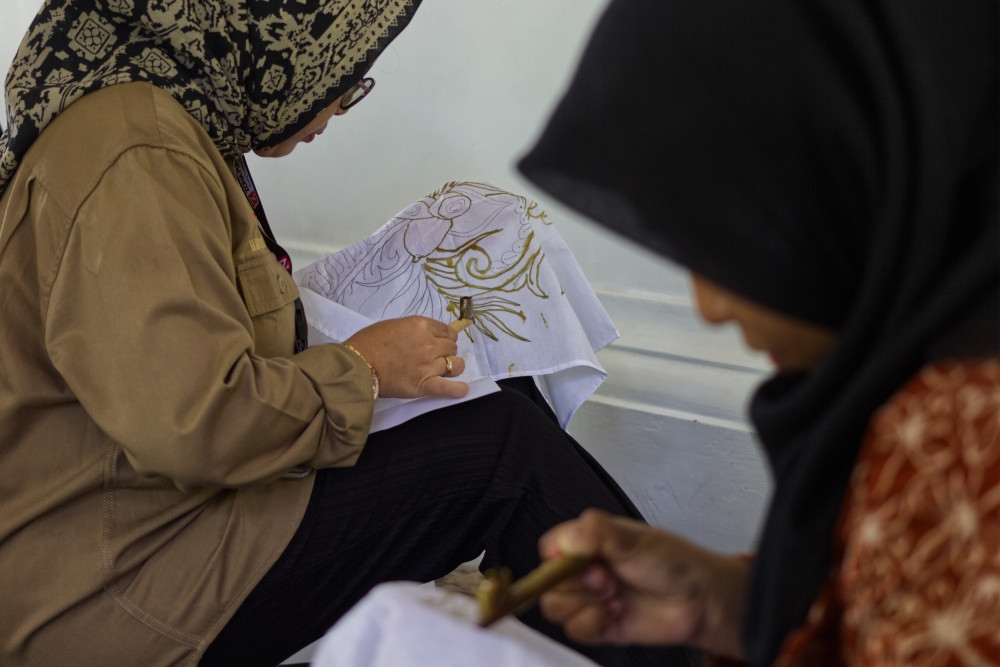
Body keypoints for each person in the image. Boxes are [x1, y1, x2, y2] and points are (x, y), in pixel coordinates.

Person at [0, 2, 703, 666]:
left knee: (493, 395)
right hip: (118, 583)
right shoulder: (135, 148)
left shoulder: (158, 124)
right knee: (505, 456)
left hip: (159, 521)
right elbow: (194, 422)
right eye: (343, 77)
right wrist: (362, 368)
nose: (337, 107)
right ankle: (688, 639)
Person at [517, 0, 999, 664]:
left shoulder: (960, 434)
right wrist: (728, 605)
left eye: (734, 242)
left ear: (857, 172)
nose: (711, 307)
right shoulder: (935, 371)